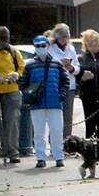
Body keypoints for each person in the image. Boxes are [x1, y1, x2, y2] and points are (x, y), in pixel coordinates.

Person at [20, 35, 68, 168]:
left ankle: (59, 157)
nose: (40, 48)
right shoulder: (29, 66)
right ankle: (40, 158)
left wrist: (61, 95)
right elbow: (23, 83)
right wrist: (29, 95)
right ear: (35, 47)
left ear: (47, 46)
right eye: (38, 46)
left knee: (57, 131)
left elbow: (65, 82)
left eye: (43, 45)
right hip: (37, 104)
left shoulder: (57, 64)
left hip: (55, 103)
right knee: (39, 132)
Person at [0, 26, 25, 164]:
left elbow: (22, 67)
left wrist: (16, 75)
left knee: (12, 121)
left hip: (11, 89)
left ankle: (13, 152)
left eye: (4, 41)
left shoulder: (14, 52)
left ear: (8, 40)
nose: (1, 44)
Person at [77, 30, 99, 138]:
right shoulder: (81, 58)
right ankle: (90, 149)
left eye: (92, 40)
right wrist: (81, 77)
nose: (90, 43)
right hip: (87, 95)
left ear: (98, 41)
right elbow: (76, 76)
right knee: (89, 122)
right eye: (87, 41)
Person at [48, 23, 80, 138]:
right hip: (55, 86)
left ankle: (67, 142)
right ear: (56, 36)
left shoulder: (71, 48)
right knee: (55, 116)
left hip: (69, 86)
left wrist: (71, 67)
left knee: (68, 116)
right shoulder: (50, 48)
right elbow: (48, 66)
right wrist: (60, 65)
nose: (64, 39)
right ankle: (54, 142)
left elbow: (77, 68)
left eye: (66, 36)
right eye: (62, 36)